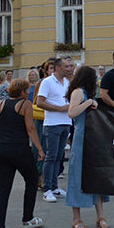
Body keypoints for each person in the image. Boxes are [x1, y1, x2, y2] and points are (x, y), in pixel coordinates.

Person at [0, 78, 46, 228]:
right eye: (27, 90)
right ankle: (28, 218)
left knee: (3, 188)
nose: (29, 92)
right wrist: (39, 148)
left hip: (2, 149)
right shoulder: (25, 104)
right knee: (32, 180)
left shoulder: (2, 104)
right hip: (19, 148)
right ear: (22, 91)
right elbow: (30, 128)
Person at [65, 65, 110, 228]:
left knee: (96, 175)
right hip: (81, 138)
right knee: (78, 176)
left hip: (92, 137)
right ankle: (76, 218)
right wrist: (89, 102)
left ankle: (101, 216)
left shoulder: (86, 93)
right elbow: (72, 112)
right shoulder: (78, 92)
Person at [36, 57, 74, 202]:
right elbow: (40, 102)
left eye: (71, 66)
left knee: (59, 156)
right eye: (67, 67)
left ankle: (54, 186)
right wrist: (59, 108)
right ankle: (47, 189)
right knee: (51, 156)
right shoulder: (47, 82)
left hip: (65, 122)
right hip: (52, 123)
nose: (70, 69)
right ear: (58, 68)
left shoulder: (67, 82)